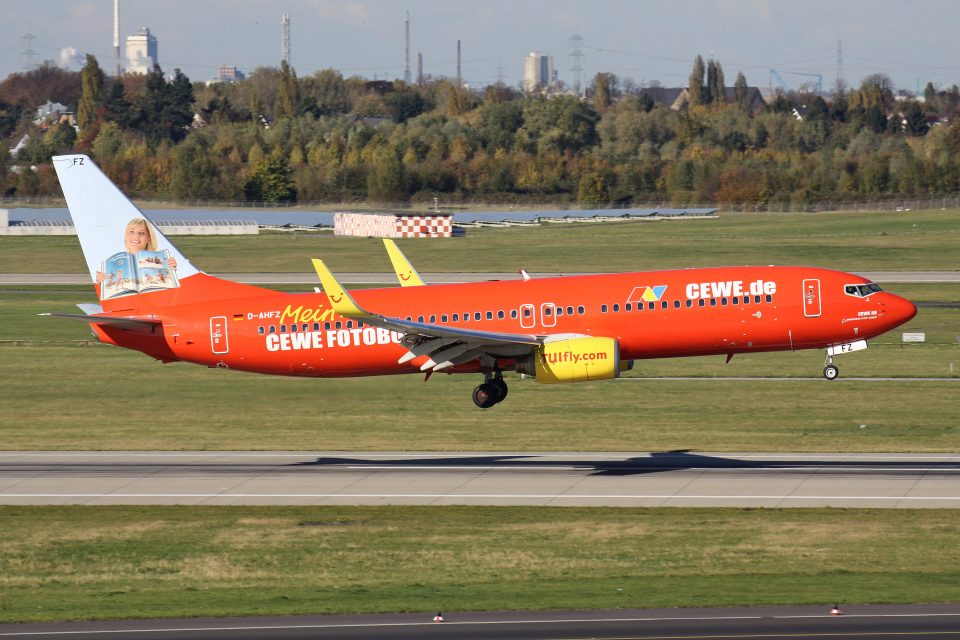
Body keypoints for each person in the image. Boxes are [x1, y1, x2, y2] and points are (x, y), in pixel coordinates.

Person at [96, 218, 177, 283]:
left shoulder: (162, 260)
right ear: (126, 236)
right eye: (132, 231)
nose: (136, 236)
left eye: (141, 233)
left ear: (148, 238)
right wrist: (102, 282)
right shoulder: (113, 263)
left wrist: (172, 272)